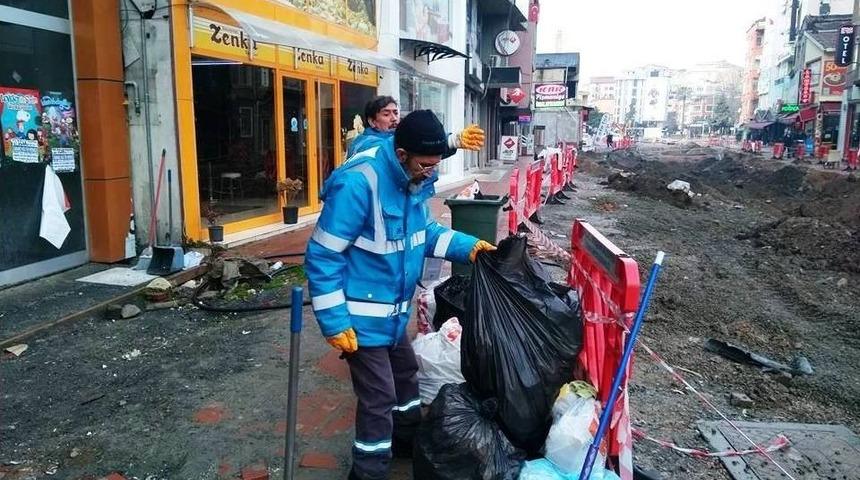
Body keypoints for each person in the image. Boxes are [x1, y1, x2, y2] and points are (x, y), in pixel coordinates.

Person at [305, 110, 495, 480]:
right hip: (359, 321)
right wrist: (333, 321)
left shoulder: (412, 181)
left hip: (393, 316)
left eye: (435, 165)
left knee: (407, 375)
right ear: (402, 152)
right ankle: (369, 471)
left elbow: (424, 233)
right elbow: (323, 256)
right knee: (378, 398)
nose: (430, 173)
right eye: (425, 165)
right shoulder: (359, 185)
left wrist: (470, 248)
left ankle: (406, 439)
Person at [348, 96, 485, 158]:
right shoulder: (364, 143)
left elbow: (419, 152)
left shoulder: (397, 138)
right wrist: (448, 141)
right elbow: (391, 151)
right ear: (372, 121)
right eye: (386, 114)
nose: (394, 118)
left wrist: (449, 142)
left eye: (395, 113)